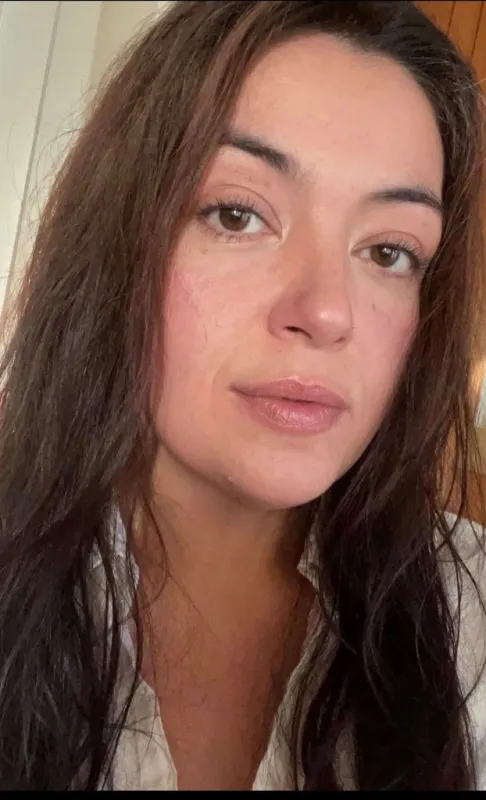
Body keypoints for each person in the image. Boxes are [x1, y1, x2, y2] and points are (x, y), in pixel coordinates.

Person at [0, 0, 485, 790]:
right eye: (237, 214)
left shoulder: (471, 620)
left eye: (389, 252)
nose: (327, 312)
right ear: (117, 238)